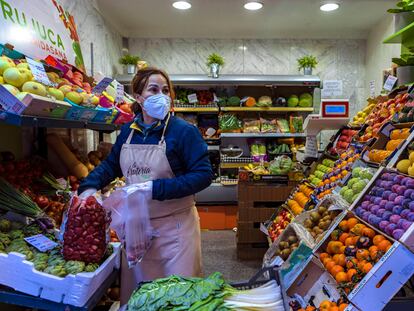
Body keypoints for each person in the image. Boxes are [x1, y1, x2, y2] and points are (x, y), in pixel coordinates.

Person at [78, 67, 213, 304]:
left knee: (177, 300)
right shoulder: (128, 132)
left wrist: (154, 188)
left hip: (175, 231)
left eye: (165, 90)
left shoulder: (183, 132)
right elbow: (111, 165)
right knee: (140, 298)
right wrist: (89, 186)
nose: (161, 95)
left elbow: (203, 175)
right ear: (139, 97)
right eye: (153, 90)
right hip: (137, 231)